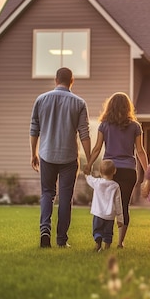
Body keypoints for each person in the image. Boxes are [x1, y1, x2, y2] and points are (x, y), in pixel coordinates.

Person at [30, 67, 91, 248]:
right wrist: (89, 159)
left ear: (56, 80)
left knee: (47, 194)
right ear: (72, 81)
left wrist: (33, 153)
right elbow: (84, 134)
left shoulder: (41, 100)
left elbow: (34, 129)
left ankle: (45, 230)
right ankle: (62, 240)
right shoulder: (79, 103)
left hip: (46, 154)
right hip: (69, 158)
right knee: (65, 198)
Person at [84, 92, 148, 249]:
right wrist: (148, 172)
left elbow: (97, 147)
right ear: (128, 108)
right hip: (128, 171)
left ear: (109, 107)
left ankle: (102, 238)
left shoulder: (104, 125)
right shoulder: (135, 126)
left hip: (109, 169)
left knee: (104, 205)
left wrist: (89, 164)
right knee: (123, 205)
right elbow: (140, 150)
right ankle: (120, 242)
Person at [85, 159, 124, 252]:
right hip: (110, 216)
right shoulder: (115, 186)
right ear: (114, 171)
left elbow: (89, 179)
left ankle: (98, 241)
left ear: (100, 172)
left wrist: (86, 174)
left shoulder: (97, 182)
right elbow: (118, 203)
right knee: (108, 233)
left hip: (98, 213)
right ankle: (106, 248)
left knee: (97, 229)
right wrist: (120, 218)